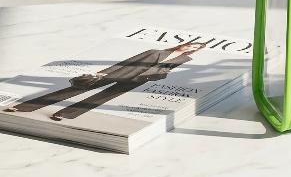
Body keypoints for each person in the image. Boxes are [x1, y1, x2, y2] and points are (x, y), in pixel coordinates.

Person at [3, 41, 206, 121]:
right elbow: (126, 62)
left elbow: (166, 70)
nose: (191, 49)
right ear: (185, 44)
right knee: (73, 90)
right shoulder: (155, 51)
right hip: (121, 73)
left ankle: (63, 114)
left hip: (139, 80)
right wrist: (103, 72)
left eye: (195, 49)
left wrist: (158, 75)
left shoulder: (184, 60)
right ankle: (22, 107)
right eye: (191, 45)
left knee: (101, 99)